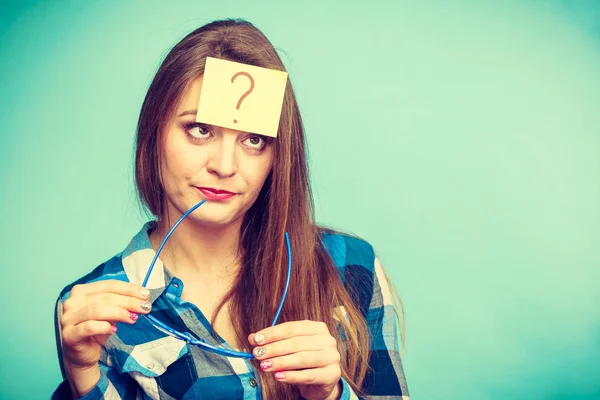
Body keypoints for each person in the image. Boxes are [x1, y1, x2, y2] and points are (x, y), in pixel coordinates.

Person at [52, 18, 410, 400]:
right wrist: (83, 376)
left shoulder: (350, 267)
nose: (224, 165)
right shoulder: (93, 310)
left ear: (278, 157)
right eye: (200, 129)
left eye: (253, 139)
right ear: (153, 133)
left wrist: (330, 395)